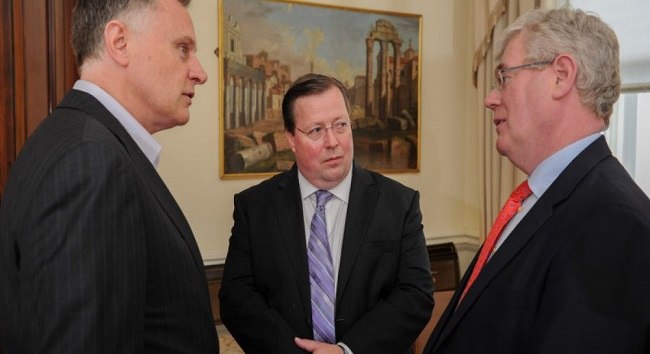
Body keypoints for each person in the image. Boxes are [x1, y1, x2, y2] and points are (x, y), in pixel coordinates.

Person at [424, 6, 650, 354]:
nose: (490, 98)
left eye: (504, 77)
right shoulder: (540, 197)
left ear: (561, 76)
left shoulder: (612, 222)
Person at [0, 0, 218, 352]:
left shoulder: (79, 141)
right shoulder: (90, 160)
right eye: (183, 49)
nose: (199, 72)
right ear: (119, 42)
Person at [219, 73, 434, 353]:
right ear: (291, 139)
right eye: (317, 130)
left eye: (341, 125)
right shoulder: (255, 207)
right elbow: (237, 299)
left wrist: (347, 351)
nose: (333, 141)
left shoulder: (399, 203)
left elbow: (415, 295)